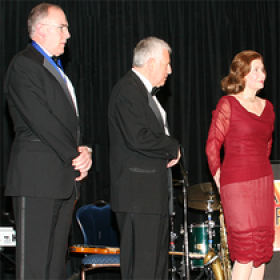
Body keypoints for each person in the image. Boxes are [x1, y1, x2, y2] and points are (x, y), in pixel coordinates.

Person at [4, 3, 92, 279]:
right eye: (62, 27)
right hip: (36, 179)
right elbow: (41, 120)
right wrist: (74, 154)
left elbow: (66, 122)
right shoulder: (24, 65)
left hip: (61, 179)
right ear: (40, 30)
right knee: (34, 267)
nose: (68, 34)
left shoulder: (55, 69)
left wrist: (83, 149)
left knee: (55, 266)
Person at [108, 36, 181, 279]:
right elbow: (138, 137)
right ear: (151, 63)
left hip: (152, 198)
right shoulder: (128, 90)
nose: (169, 70)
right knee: (142, 271)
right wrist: (173, 145)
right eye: (166, 64)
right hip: (138, 199)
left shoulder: (144, 94)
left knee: (155, 271)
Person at [206, 50, 275, 280]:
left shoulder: (269, 108)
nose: (262, 73)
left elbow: (266, 146)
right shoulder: (228, 104)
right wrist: (219, 179)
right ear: (242, 74)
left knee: (261, 253)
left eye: (262, 68)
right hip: (236, 184)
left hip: (263, 182)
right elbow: (212, 145)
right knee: (245, 253)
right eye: (255, 69)